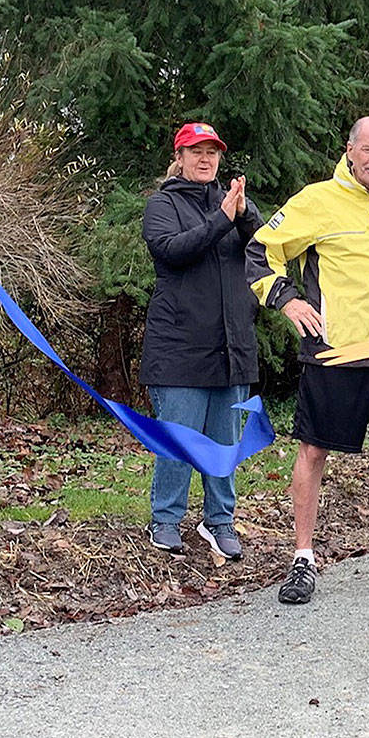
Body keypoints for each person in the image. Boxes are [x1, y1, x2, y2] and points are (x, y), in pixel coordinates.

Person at [247, 115, 369, 604]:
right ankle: (302, 559)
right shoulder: (317, 200)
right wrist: (286, 300)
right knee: (314, 451)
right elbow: (259, 251)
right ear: (350, 150)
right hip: (335, 351)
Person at [140, 122, 263, 559]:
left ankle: (220, 522)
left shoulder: (233, 206)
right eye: (196, 151)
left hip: (232, 347)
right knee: (180, 440)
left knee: (224, 443)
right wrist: (222, 219)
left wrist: (244, 214)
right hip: (178, 350)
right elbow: (174, 250)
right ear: (180, 157)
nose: (205, 159)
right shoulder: (162, 204)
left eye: (212, 152)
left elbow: (265, 247)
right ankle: (166, 520)